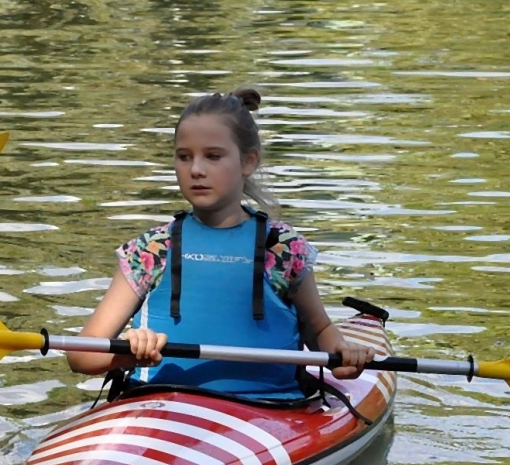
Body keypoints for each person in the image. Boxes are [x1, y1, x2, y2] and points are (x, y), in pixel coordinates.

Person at [66, 87, 373, 396]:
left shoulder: (281, 248)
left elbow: (319, 331)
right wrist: (129, 351)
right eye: (184, 157)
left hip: (270, 409)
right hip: (159, 403)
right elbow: (81, 355)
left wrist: (342, 353)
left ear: (248, 161)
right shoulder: (151, 249)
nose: (196, 169)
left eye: (213, 156)